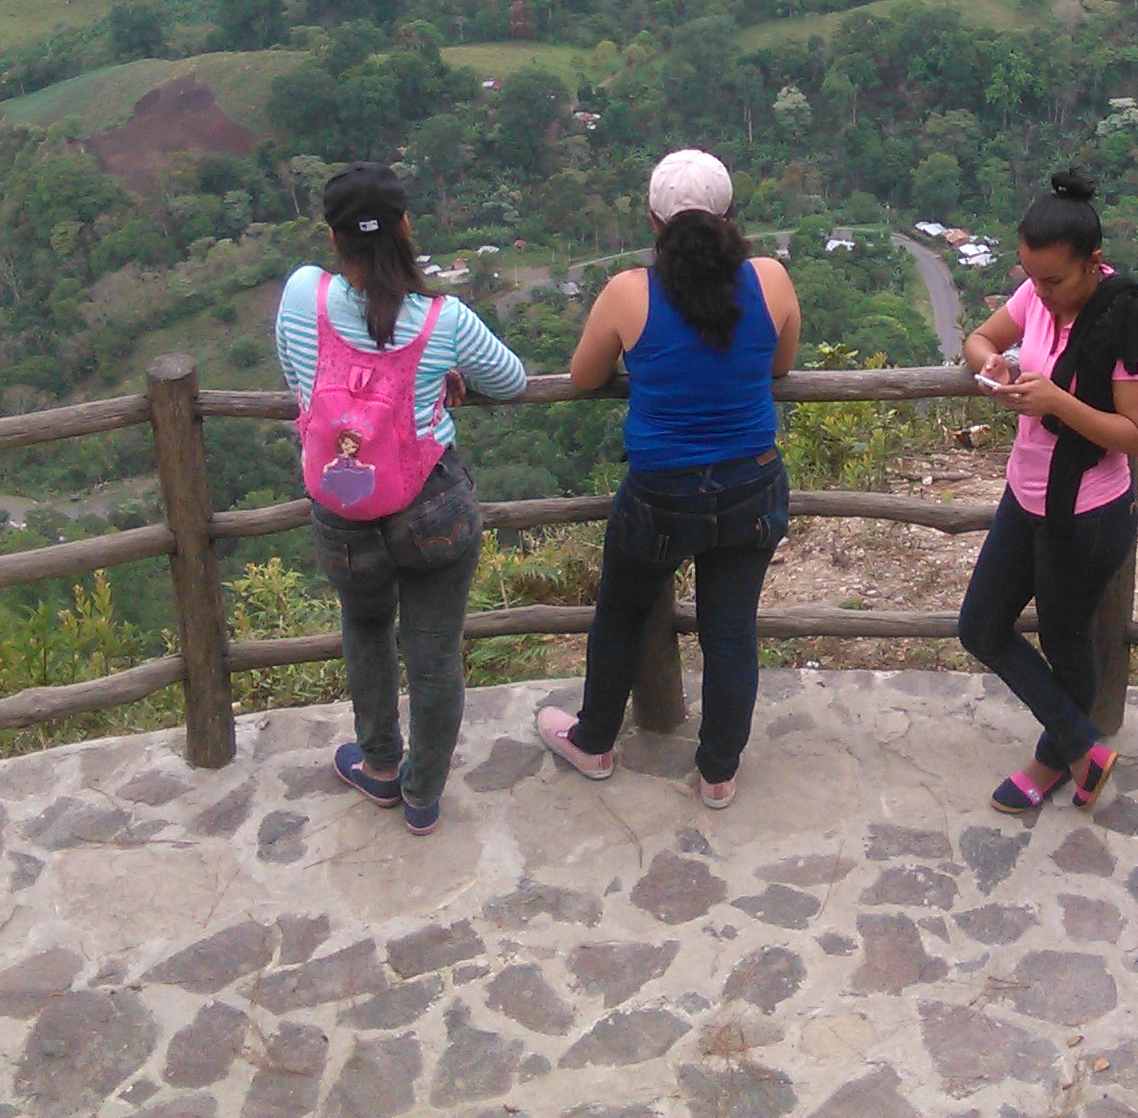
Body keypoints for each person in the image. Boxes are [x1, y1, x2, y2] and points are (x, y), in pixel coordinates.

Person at [538, 149, 802, 807]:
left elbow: (584, 377)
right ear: (729, 215)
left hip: (661, 491)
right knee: (730, 631)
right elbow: (779, 364)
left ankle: (595, 740)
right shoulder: (770, 279)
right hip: (751, 482)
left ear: (654, 222)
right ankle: (718, 772)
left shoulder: (628, 292)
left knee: (621, 615)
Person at [277, 161, 528, 834]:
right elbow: (513, 381)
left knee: (365, 627)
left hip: (342, 504)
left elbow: (299, 379)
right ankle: (422, 797)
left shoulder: (302, 295)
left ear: (333, 238)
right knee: (434, 653)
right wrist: (440, 376)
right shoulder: (443, 319)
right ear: (406, 227)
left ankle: (380, 766)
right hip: (431, 508)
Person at [959, 170, 1138, 816]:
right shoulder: (1036, 294)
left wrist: (1055, 401)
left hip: (1087, 513)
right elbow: (981, 337)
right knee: (979, 626)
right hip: (1025, 495)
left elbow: (1136, 435)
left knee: (1065, 636)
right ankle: (1082, 746)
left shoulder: (1131, 322)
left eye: (1052, 281)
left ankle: (1053, 760)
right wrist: (989, 363)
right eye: (1031, 277)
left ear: (1093, 263)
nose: (1040, 293)